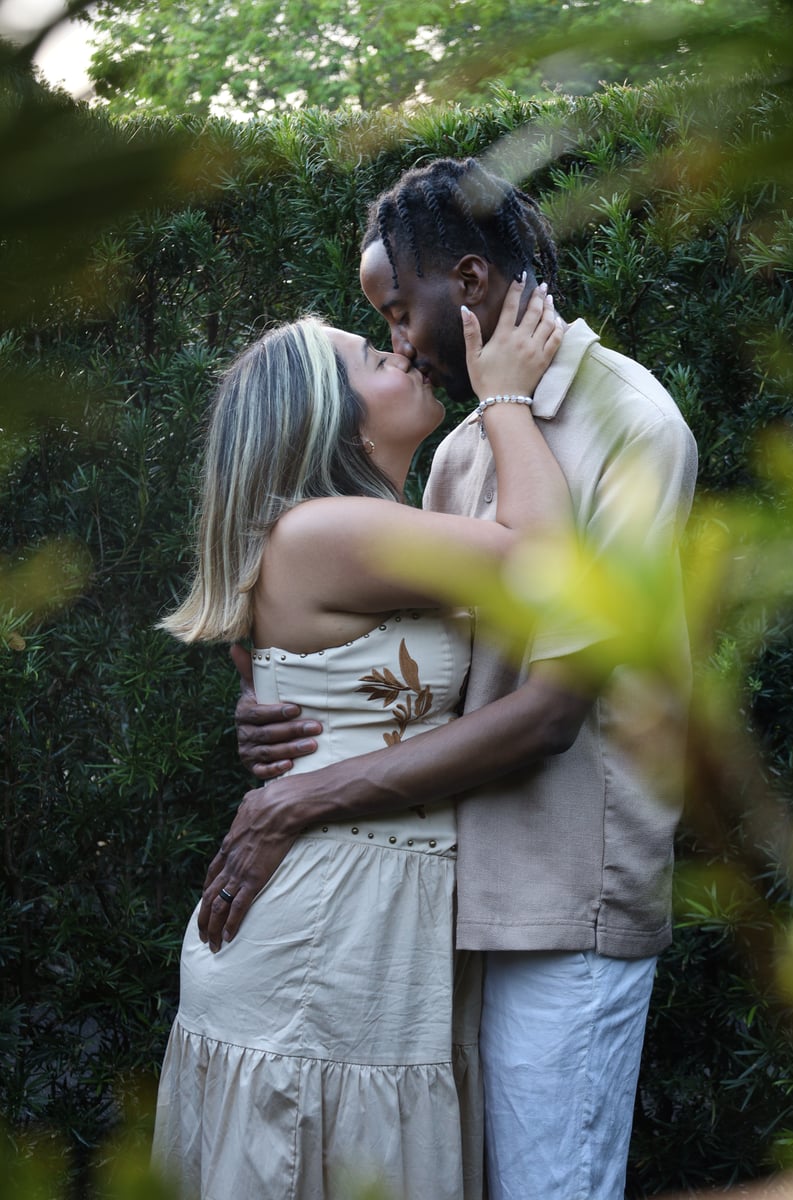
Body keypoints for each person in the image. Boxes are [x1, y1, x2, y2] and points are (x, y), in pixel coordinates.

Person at [212, 157, 699, 1200]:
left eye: (394, 313)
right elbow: (385, 636)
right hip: (431, 909)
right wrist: (273, 698)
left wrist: (305, 793)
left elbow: (553, 710)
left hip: (559, 906)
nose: (396, 342)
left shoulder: (631, 428)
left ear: (467, 283)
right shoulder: (470, 443)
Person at [151, 284, 572, 1200]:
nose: (406, 355)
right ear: (327, 424)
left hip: (363, 924)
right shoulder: (330, 530)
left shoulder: (349, 530)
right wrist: (504, 396)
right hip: (325, 938)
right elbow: (547, 567)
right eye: (375, 360)